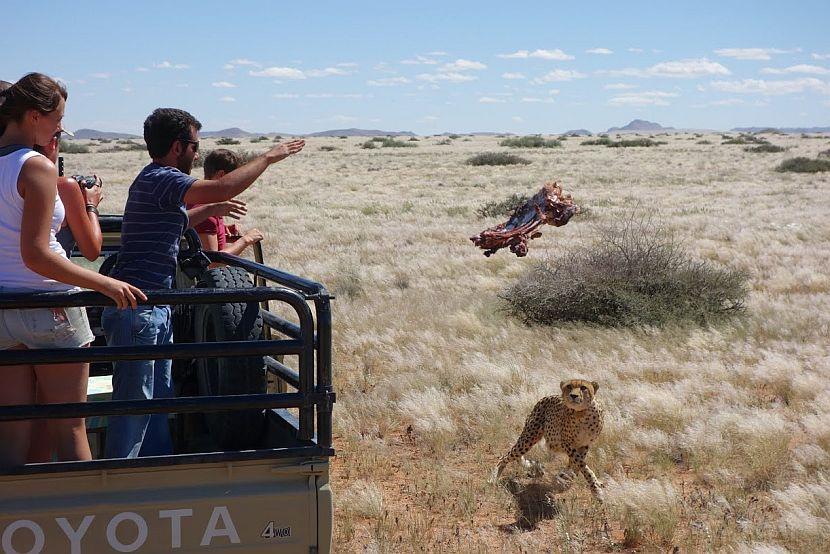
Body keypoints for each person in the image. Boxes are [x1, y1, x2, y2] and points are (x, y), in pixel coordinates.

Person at [103, 107, 304, 459]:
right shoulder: (163, 178)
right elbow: (222, 185)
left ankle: (153, 470)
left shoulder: (152, 179)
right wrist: (269, 157)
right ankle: (121, 479)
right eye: (195, 145)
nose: (197, 153)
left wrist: (212, 211)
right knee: (136, 408)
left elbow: (175, 222)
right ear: (178, 146)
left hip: (152, 308)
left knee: (156, 404)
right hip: (140, 311)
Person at [0, 73, 145, 467]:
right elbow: (37, 254)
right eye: (57, 118)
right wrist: (105, 283)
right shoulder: (35, 167)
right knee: (69, 430)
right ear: (34, 115)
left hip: (4, 311)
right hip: (51, 309)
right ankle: (83, 524)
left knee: (13, 431)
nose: (60, 128)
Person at [26, 130, 105, 462]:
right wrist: (90, 205)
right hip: (54, 302)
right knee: (65, 421)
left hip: (11, 305)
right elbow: (91, 248)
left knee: (23, 422)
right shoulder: (63, 186)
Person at [186, 149, 264, 257]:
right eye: (236, 179)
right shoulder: (206, 214)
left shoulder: (196, 201)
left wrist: (221, 229)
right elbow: (213, 263)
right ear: (222, 175)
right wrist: (246, 240)